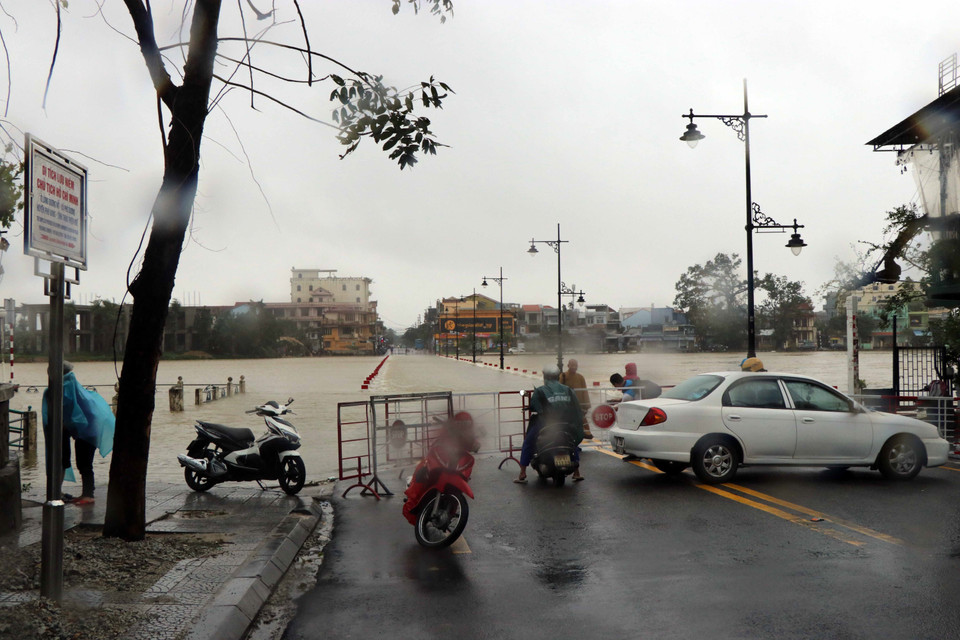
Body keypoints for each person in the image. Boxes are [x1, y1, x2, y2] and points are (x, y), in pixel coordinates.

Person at [42, 361, 116, 505]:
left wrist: (62, 428)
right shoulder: (73, 387)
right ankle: (84, 493)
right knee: (79, 463)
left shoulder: (64, 389)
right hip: (87, 429)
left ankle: (88, 495)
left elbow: (72, 415)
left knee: (84, 463)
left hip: (88, 431)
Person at [516, 365, 585, 483]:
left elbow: (535, 406)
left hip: (546, 424)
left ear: (545, 376)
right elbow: (576, 408)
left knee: (528, 442)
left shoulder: (540, 390)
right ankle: (577, 472)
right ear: (558, 376)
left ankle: (522, 473)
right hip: (565, 424)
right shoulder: (568, 390)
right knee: (571, 443)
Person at [559, 358, 593, 439]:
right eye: (572, 365)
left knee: (583, 424)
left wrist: (586, 405)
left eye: (575, 365)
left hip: (579, 405)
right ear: (568, 365)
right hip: (568, 406)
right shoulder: (563, 376)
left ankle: (584, 436)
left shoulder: (580, 377)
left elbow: (584, 391)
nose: (574, 367)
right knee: (569, 425)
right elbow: (559, 390)